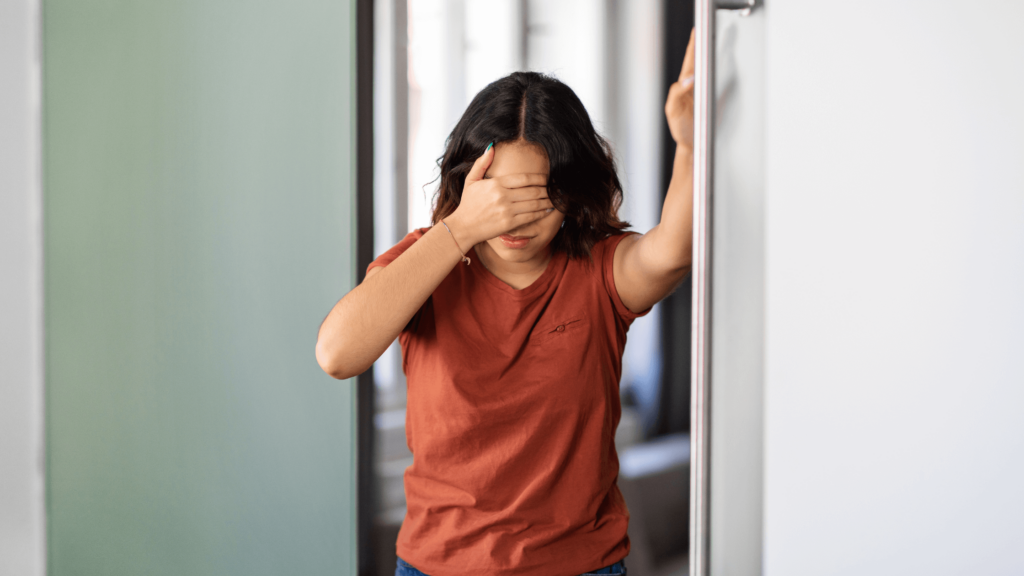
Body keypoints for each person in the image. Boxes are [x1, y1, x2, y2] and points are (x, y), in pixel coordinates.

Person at [316, 30, 697, 576]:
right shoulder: (426, 265)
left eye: (537, 199)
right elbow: (336, 354)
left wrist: (687, 145)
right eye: (500, 199)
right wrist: (462, 228)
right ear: (469, 184)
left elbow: (672, 252)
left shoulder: (599, 272)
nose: (515, 221)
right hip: (436, 566)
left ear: (571, 197)